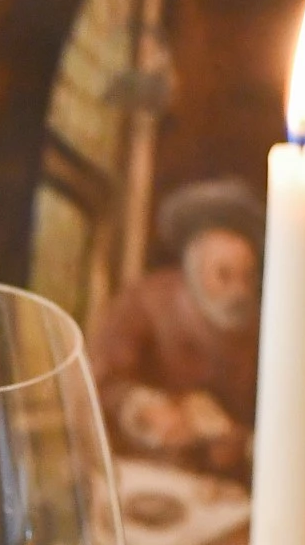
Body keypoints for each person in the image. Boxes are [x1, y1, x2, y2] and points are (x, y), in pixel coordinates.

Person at [88, 179, 263, 477]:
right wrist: (145, 408)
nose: (238, 292)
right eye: (224, 275)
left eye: (246, 277)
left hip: (219, 486)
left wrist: (234, 439)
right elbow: (99, 380)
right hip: (140, 473)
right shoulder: (143, 303)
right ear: (196, 269)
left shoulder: (258, 329)